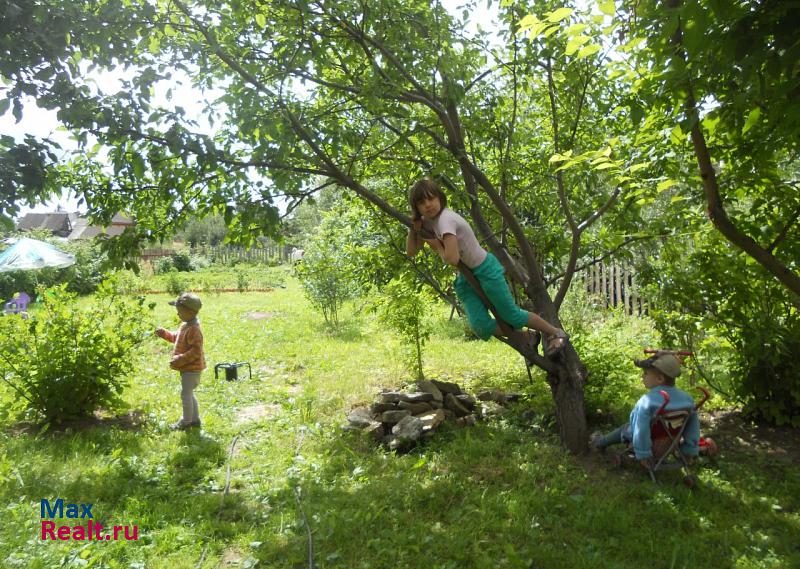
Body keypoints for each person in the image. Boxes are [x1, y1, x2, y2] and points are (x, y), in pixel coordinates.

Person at [405, 179, 568, 355]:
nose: (428, 205)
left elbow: (452, 258)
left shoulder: (445, 220)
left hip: (485, 269)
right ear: (417, 207)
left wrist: (437, 246)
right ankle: (527, 337)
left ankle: (556, 333)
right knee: (480, 326)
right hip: (466, 277)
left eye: (431, 198)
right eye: (421, 203)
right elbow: (412, 251)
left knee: (512, 315)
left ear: (440, 198)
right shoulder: (429, 221)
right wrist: (413, 230)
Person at [590, 353, 700, 466]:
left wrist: (643, 454)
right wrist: (689, 450)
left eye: (645, 373)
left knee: (625, 429)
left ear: (660, 378)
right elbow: (693, 427)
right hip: (670, 443)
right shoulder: (687, 400)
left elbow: (640, 429)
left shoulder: (647, 402)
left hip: (650, 445)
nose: (642, 377)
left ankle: (600, 442)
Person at [156, 292, 206, 430]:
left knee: (185, 394)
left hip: (192, 368)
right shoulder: (185, 325)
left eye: (180, 312)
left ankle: (186, 422)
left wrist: (180, 359)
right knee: (189, 393)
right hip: (187, 368)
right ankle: (195, 419)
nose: (178, 314)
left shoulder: (194, 329)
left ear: (190, 312)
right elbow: (175, 338)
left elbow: (196, 352)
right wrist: (164, 333)